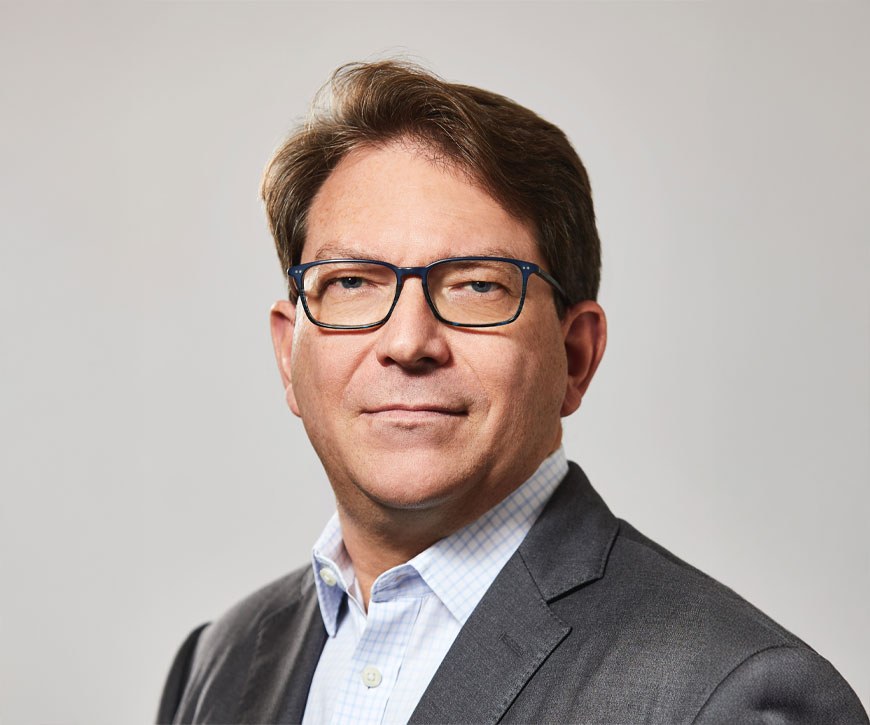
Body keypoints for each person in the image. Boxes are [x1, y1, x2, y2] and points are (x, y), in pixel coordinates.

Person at [157, 61, 867, 724]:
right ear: (289, 355)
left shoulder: (731, 696)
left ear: (576, 356)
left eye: (476, 286)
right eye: (351, 283)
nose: (408, 341)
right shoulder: (218, 664)